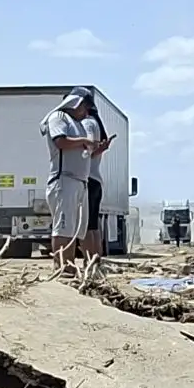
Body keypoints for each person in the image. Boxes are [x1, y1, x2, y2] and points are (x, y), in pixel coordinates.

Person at [40, 90, 96, 275]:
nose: (86, 112)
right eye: (84, 107)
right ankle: (62, 266)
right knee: (63, 226)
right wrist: (83, 141)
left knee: (74, 228)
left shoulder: (78, 124)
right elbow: (61, 142)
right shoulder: (59, 117)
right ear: (76, 104)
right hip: (64, 179)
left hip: (80, 182)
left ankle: (70, 265)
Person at [77, 88, 112, 260]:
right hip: (95, 179)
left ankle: (90, 261)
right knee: (93, 226)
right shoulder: (94, 123)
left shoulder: (87, 123)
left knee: (85, 227)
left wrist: (82, 150)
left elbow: (90, 145)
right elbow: (97, 148)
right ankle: (95, 260)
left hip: (87, 179)